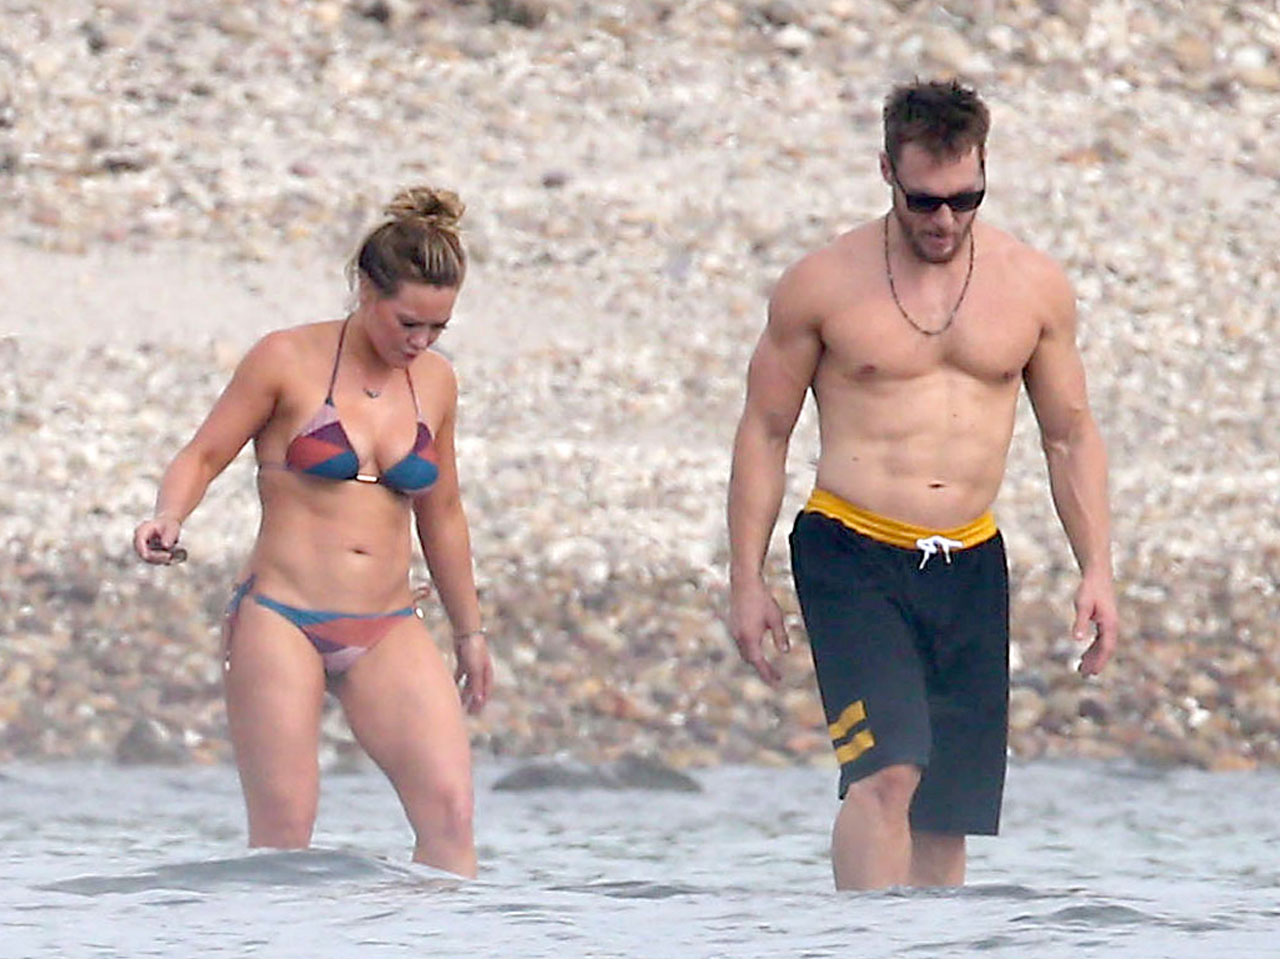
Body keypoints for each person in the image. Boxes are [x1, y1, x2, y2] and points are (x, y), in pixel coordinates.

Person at [727, 79, 1118, 891]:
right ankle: (862, 943)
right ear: (886, 173)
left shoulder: (1032, 286)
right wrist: (746, 577)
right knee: (887, 772)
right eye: (924, 201)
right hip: (851, 550)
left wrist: (1098, 570)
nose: (944, 220)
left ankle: (936, 945)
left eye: (965, 199)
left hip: (970, 559)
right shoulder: (822, 283)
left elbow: (1069, 434)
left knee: (947, 808)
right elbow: (765, 430)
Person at [133, 185, 493, 878]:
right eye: (407, 323)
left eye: (437, 329)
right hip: (282, 616)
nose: (419, 342)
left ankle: (435, 935)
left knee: (450, 816)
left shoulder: (437, 383)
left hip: (387, 621)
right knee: (283, 837)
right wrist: (169, 514)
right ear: (366, 289)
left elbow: (443, 512)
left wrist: (470, 633)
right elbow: (203, 454)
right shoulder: (285, 358)